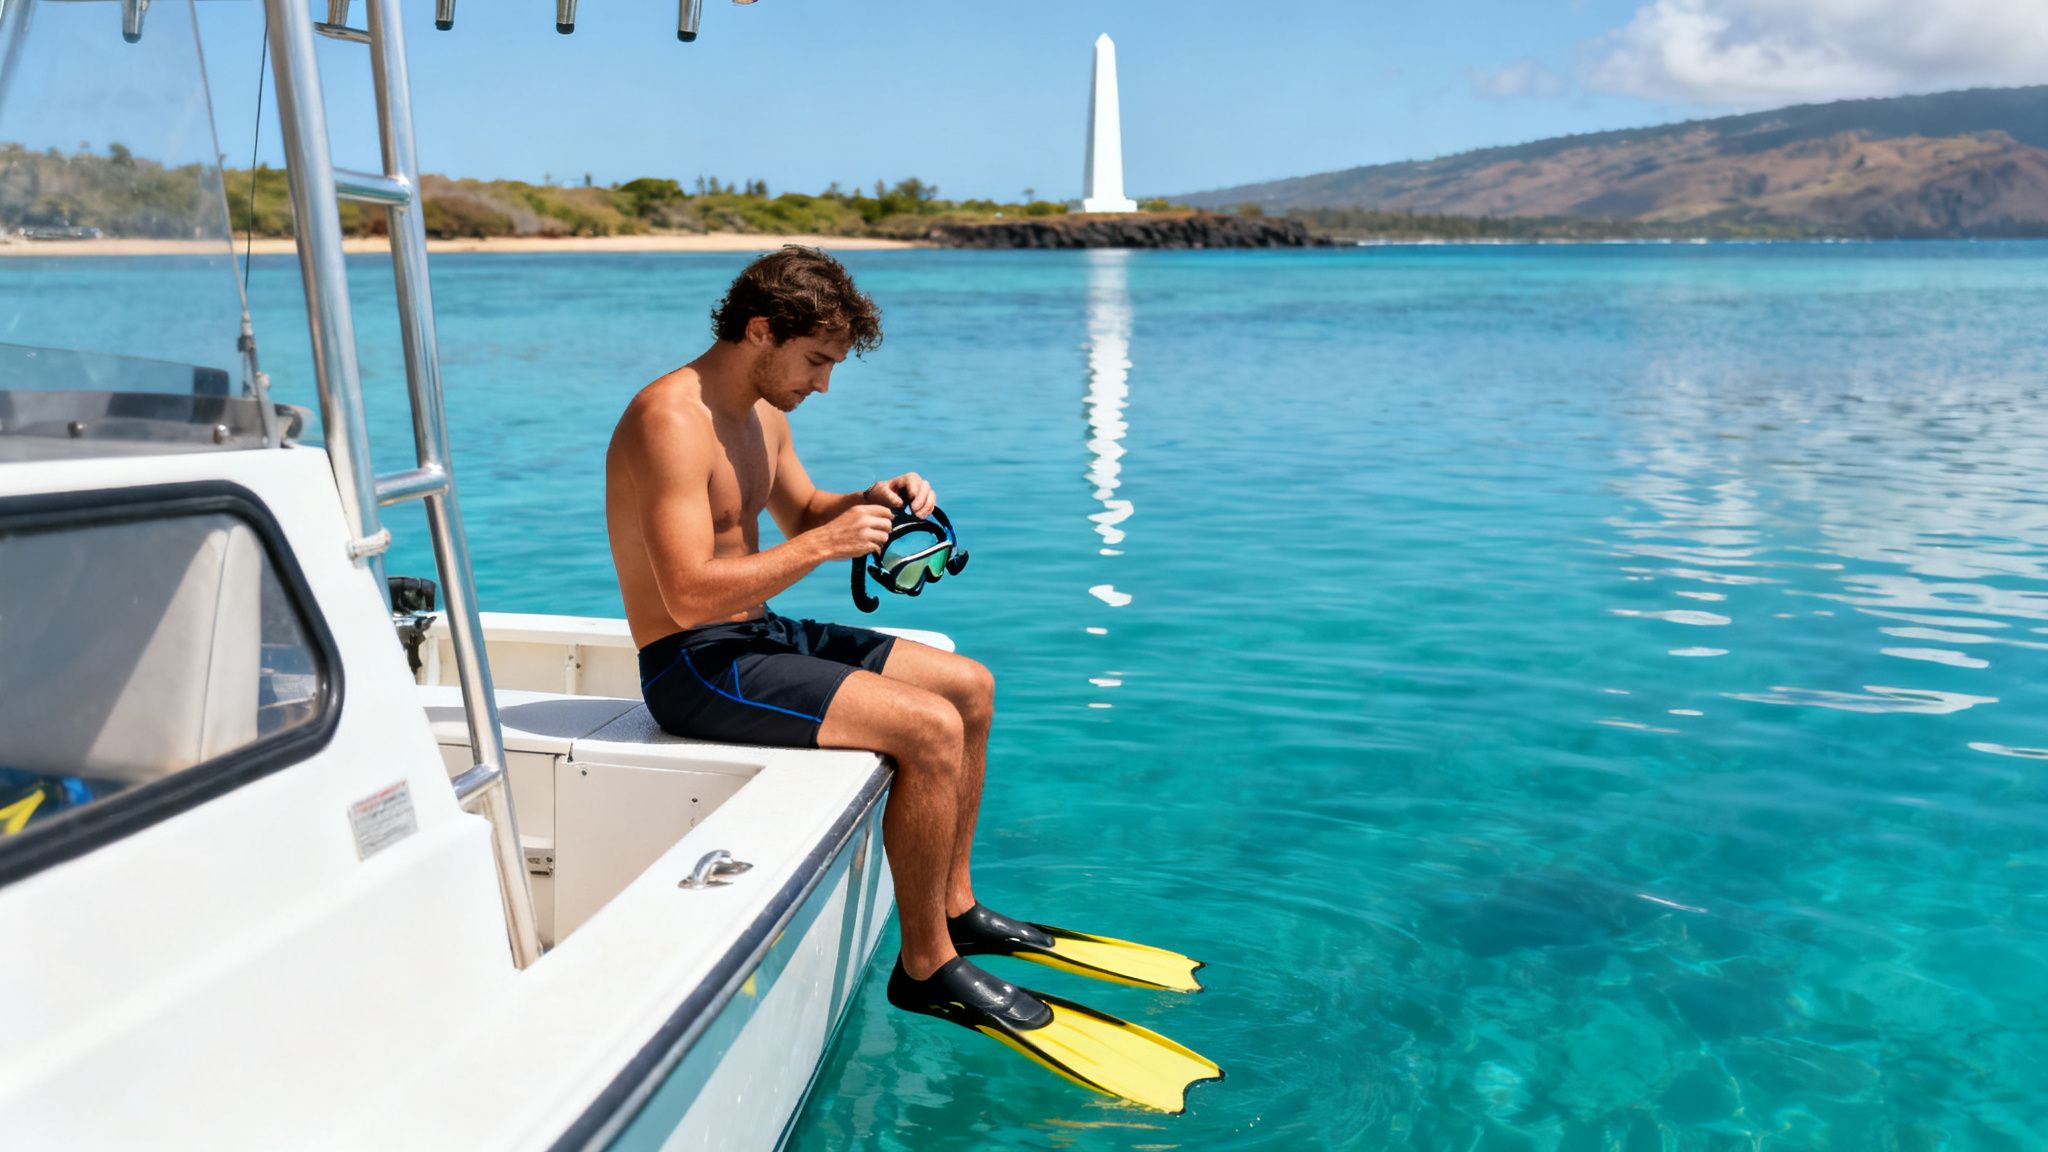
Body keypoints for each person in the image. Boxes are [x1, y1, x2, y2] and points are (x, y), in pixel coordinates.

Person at [605, 247, 1216, 1111]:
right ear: (758, 331)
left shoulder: (760, 409)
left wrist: (874, 499)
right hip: (696, 664)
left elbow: (803, 512)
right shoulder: (670, 418)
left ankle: (956, 907)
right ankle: (926, 963)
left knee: (969, 685)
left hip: (758, 632)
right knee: (927, 729)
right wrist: (821, 546)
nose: (822, 385)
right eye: (816, 360)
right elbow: (686, 589)